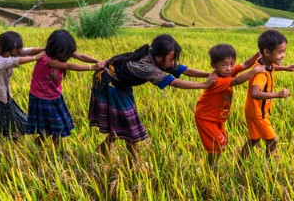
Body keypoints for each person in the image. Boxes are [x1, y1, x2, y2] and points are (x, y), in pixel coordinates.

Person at [90, 34, 216, 164]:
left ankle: (104, 149)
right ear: (159, 56)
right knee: (129, 123)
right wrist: (204, 85)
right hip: (110, 85)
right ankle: (136, 160)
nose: (172, 63)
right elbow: (174, 82)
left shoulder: (157, 59)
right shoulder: (146, 66)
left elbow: (186, 71)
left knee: (124, 121)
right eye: (171, 59)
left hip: (120, 85)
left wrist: (210, 74)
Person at [27, 30, 104, 150]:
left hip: (54, 95)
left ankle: (47, 148)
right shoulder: (46, 60)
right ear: (54, 48)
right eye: (64, 53)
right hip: (43, 98)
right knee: (55, 127)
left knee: (54, 127)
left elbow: (80, 56)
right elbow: (69, 66)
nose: (66, 56)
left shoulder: (60, 53)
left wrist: (98, 61)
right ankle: (50, 150)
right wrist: (92, 67)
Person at [194, 45, 264, 168]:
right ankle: (210, 168)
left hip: (217, 117)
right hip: (206, 117)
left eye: (232, 64)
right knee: (217, 144)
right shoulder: (216, 80)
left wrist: (259, 54)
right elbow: (236, 81)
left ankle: (211, 165)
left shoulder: (227, 72)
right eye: (224, 65)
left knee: (221, 142)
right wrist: (255, 70)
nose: (229, 68)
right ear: (213, 66)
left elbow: (244, 65)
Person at [239, 30, 294, 162]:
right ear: (267, 52)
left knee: (254, 139)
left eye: (284, 51)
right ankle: (267, 163)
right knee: (273, 140)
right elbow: (255, 93)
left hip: (257, 110)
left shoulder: (265, 62)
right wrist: (278, 94)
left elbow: (272, 67)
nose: (283, 55)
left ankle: (240, 162)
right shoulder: (260, 73)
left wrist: (286, 68)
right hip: (257, 112)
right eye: (280, 52)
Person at [0, 31, 43, 141]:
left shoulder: (8, 51)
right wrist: (35, 58)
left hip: (4, 96)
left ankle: (11, 145)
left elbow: (26, 51)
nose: (15, 55)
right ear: (1, 48)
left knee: (18, 124)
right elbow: (14, 61)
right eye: (12, 53)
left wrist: (46, 49)